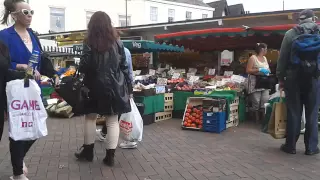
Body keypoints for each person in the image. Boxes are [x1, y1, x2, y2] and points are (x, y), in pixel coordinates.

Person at [0, 0, 58, 179]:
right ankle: (18, 173)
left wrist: (53, 73)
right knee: (18, 128)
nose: (30, 15)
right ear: (14, 15)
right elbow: (3, 64)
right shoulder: (4, 36)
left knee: (35, 127)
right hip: (13, 89)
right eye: (25, 12)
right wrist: (20, 66)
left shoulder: (33, 35)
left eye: (31, 11)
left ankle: (18, 158)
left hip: (33, 89)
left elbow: (42, 58)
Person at [74, 11, 132, 167]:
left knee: (90, 118)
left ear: (91, 25)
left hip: (92, 86)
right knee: (112, 121)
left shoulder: (89, 42)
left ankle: (88, 152)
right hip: (114, 86)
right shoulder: (118, 42)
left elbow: (84, 66)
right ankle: (110, 157)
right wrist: (129, 87)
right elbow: (124, 67)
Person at [277, 9, 319, 155]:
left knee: (294, 112)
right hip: (314, 78)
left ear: (300, 19)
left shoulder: (290, 33)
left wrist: (281, 78)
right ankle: (311, 148)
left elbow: (282, 59)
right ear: (313, 18)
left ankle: (291, 146)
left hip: (293, 78)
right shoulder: (319, 32)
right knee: (312, 113)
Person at [95, 31, 137, 149]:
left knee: (116, 115)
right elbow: (128, 70)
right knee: (116, 114)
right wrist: (130, 86)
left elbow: (126, 69)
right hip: (121, 86)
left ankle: (129, 138)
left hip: (112, 86)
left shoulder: (110, 49)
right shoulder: (123, 50)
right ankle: (106, 136)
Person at [246, 43, 270, 123]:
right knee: (256, 101)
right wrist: (259, 70)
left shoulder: (265, 58)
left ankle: (263, 119)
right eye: (266, 49)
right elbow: (248, 70)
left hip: (264, 82)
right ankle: (256, 119)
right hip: (255, 82)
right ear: (262, 49)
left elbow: (268, 68)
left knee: (265, 100)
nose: (267, 50)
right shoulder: (253, 58)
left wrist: (268, 71)